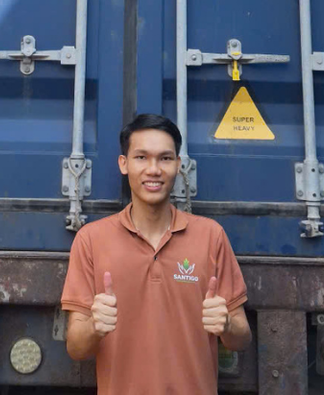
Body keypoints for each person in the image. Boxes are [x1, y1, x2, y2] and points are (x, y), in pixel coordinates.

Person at [61, 113, 251, 394]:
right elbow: (76, 349)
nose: (153, 169)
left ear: (178, 165)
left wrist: (226, 326)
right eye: (141, 157)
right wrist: (93, 327)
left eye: (165, 158)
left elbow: (242, 339)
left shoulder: (211, 236)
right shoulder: (91, 239)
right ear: (123, 164)